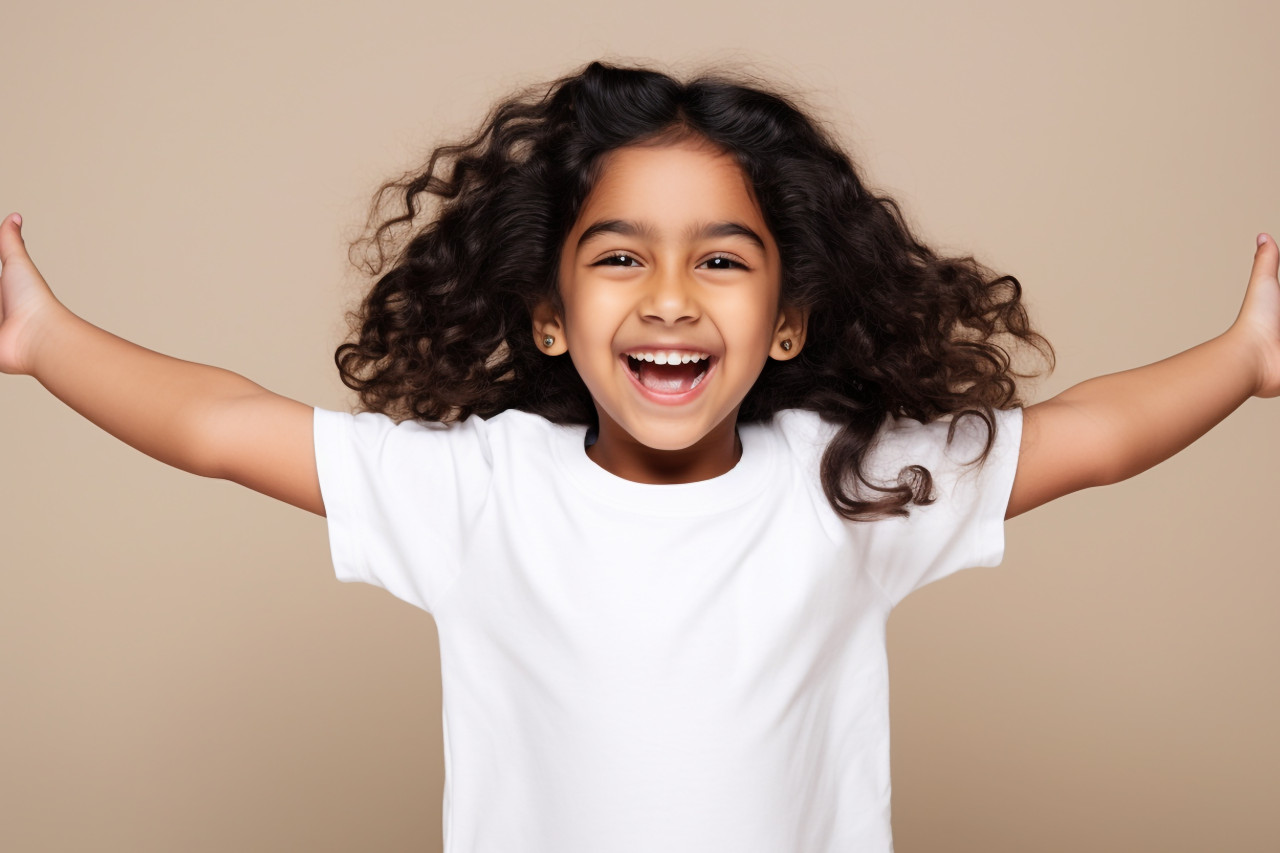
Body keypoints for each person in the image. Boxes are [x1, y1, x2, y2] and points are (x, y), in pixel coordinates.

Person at [0, 59, 1275, 853]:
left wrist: (1245, 355)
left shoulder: (847, 487)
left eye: (719, 259)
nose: (669, 296)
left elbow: (1085, 439)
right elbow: (223, 427)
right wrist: (44, 338)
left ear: (786, 321)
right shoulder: (479, 490)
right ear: (550, 314)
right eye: (620, 256)